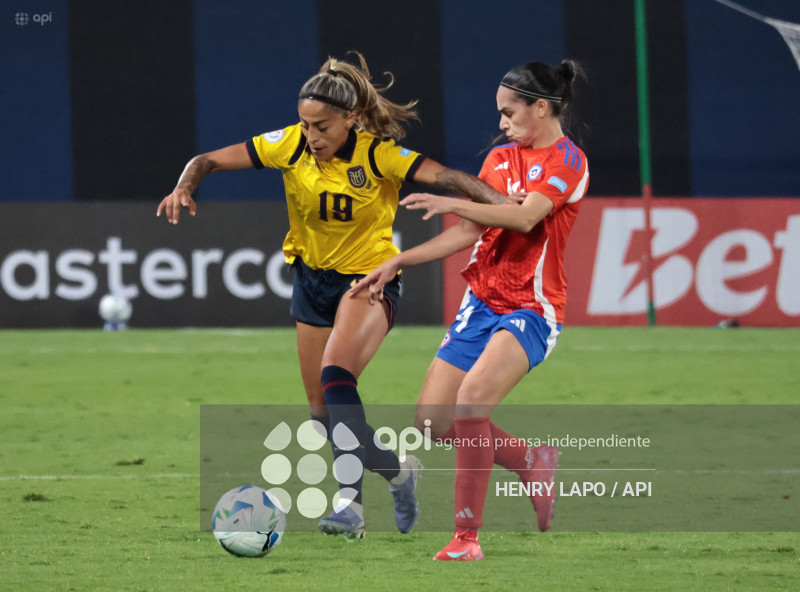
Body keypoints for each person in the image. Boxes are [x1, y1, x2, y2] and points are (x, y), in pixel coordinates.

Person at [156, 52, 509, 540]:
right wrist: (184, 186)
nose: (311, 136)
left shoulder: (377, 155)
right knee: (322, 414)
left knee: (336, 377)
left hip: (368, 280)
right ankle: (400, 473)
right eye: (305, 124)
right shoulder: (288, 145)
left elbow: (448, 177)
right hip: (311, 281)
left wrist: (501, 202)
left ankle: (350, 508)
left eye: (321, 126)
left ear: (351, 119)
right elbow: (208, 160)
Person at [351, 59, 588, 559]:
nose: (502, 123)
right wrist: (398, 260)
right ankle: (530, 461)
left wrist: (455, 202)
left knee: (473, 400)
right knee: (432, 423)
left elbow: (525, 218)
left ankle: (466, 539)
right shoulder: (500, 159)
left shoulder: (569, 161)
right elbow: (470, 233)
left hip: (532, 306)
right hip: (481, 302)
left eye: (509, 112)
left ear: (540, 108)